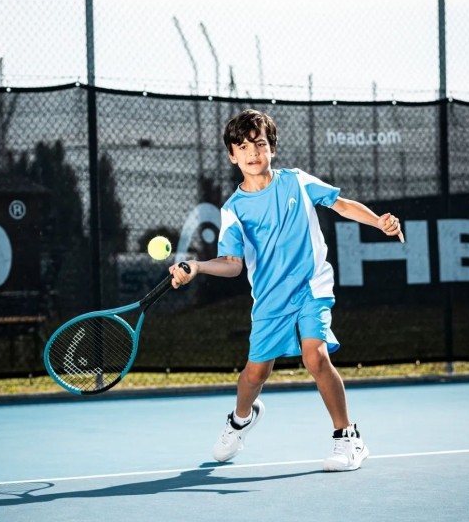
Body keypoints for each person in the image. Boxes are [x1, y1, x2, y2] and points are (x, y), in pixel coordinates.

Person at [170, 109, 404, 472]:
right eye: (242, 146)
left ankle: (348, 438)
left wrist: (377, 221)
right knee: (254, 374)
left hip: (312, 286)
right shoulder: (233, 210)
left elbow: (340, 204)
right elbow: (232, 263)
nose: (252, 152)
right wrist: (198, 266)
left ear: (272, 148)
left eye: (259, 144)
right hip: (270, 298)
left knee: (315, 356)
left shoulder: (296, 181)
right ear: (232, 155)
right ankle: (241, 420)